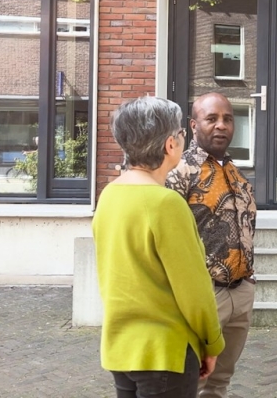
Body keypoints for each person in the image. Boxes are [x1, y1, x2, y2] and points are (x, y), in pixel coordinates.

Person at [93, 95, 225, 398]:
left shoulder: (109, 195)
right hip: (165, 351)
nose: (183, 138)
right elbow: (194, 289)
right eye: (181, 133)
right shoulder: (166, 204)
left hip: (120, 348)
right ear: (170, 144)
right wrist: (212, 343)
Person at [166, 92, 257, 398]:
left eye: (227, 119)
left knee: (220, 382)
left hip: (241, 293)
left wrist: (250, 281)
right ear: (194, 125)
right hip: (204, 296)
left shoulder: (235, 172)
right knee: (192, 381)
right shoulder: (179, 172)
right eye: (212, 118)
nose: (221, 125)